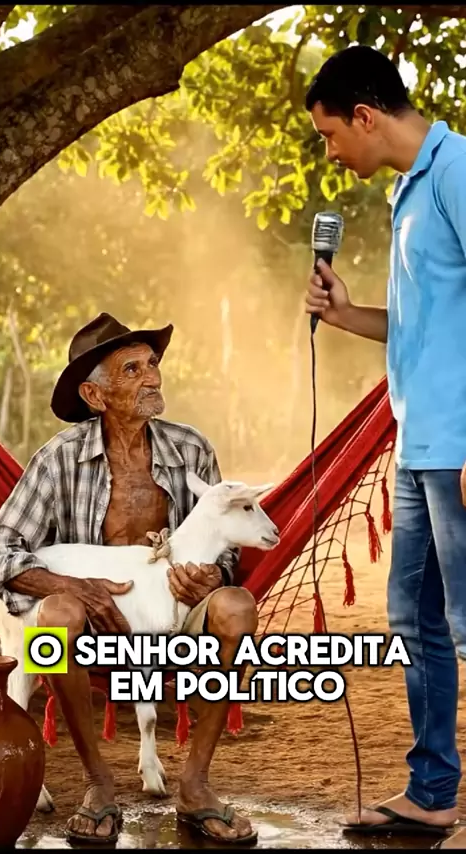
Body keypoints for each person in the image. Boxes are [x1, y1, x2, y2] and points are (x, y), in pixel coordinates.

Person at [0, 312, 259, 846]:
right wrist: (75, 587)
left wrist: (211, 576)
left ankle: (196, 785)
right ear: (94, 394)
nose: (152, 377)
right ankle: (99, 784)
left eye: (152, 364)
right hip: (91, 621)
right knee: (56, 617)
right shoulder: (58, 459)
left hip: (176, 613)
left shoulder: (191, 448)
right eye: (132, 370)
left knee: (237, 606)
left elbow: (227, 541)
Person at [304, 45, 466, 848]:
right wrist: (344, 315)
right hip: (417, 443)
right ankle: (432, 793)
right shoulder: (407, 189)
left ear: (364, 116)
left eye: (331, 134)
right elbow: (419, 325)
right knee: (414, 617)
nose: (331, 152)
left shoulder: (458, 171)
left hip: (458, 446)